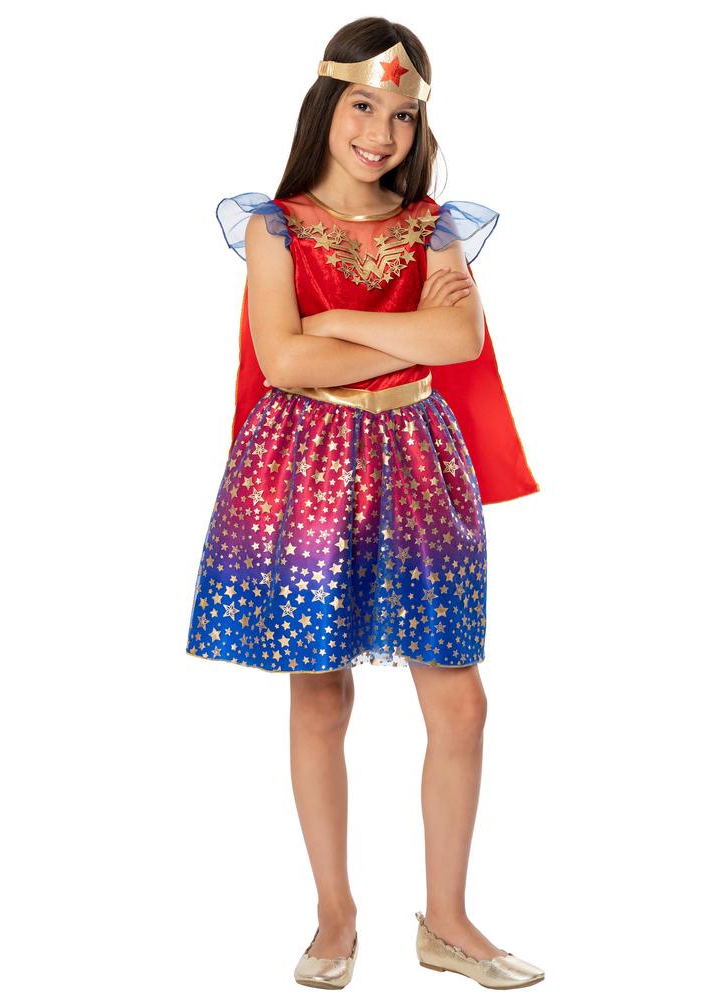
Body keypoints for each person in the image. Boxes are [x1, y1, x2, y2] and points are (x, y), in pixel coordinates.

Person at [183, 19, 544, 990]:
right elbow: (283, 357)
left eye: (401, 115)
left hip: (420, 462)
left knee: (459, 697)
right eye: (361, 106)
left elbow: (459, 340)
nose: (380, 133)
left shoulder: (436, 226)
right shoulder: (273, 227)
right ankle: (335, 916)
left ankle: (449, 921)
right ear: (326, 107)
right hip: (304, 467)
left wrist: (336, 317)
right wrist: (399, 332)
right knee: (319, 690)